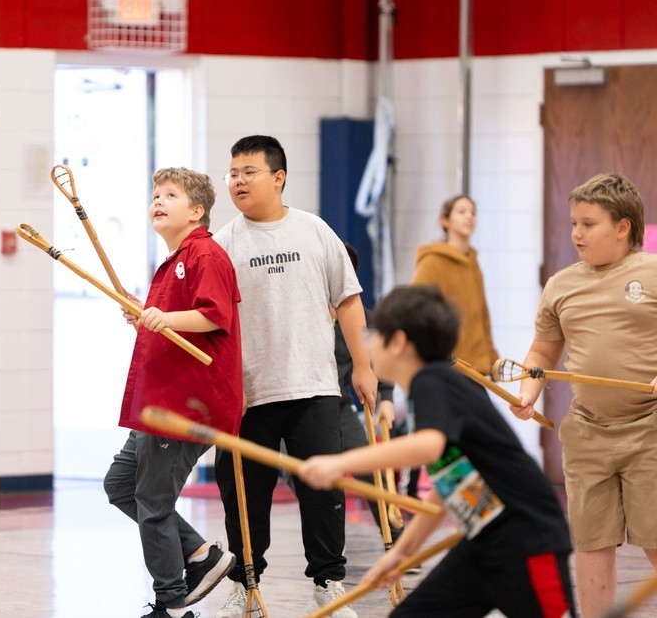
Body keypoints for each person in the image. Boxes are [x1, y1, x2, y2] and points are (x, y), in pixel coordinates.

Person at [299, 285, 576, 617]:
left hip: (530, 542)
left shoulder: (434, 381)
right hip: (485, 542)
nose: (368, 343)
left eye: (375, 334)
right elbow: (453, 490)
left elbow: (430, 446)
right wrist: (401, 554)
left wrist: (339, 463)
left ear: (398, 342)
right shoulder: (429, 389)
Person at [211, 135, 378, 618]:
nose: (238, 181)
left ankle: (328, 585)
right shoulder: (222, 244)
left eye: (249, 172)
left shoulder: (315, 231)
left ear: (279, 178)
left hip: (314, 386)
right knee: (243, 494)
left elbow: (348, 300)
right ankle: (246, 588)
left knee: (323, 490)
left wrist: (363, 366)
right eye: (233, 173)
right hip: (247, 394)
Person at [511, 172, 657, 618]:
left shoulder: (651, 272)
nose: (576, 233)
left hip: (650, 430)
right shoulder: (560, 285)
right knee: (592, 547)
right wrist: (529, 390)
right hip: (588, 433)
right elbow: (542, 352)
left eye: (588, 224)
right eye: (574, 223)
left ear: (622, 227)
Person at [104, 167, 242, 618]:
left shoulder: (205, 255)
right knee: (121, 484)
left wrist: (166, 317)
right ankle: (201, 554)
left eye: (171, 194)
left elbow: (214, 315)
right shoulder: (173, 259)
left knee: (154, 504)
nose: (158, 201)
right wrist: (147, 313)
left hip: (185, 404)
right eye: (155, 194)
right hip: (157, 401)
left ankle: (172, 605)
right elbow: (173, 317)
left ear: (197, 211)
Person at [335, 243, 406, 549]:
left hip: (338, 406)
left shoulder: (365, 317)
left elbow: (381, 363)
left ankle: (397, 542)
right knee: (307, 482)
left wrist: (387, 398)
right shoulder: (304, 313)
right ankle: (329, 552)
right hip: (300, 404)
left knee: (370, 472)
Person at [411, 194, 499, 376]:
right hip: (448, 367)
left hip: (477, 369)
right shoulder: (432, 261)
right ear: (445, 220)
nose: (469, 216)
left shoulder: (473, 263)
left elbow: (482, 316)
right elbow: (415, 309)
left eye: (472, 212)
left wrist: (492, 358)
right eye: (461, 212)